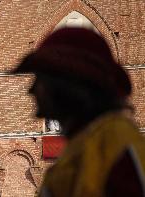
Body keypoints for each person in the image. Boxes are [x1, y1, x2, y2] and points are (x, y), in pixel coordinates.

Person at [13, 27, 145, 196]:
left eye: (40, 79)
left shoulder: (116, 147)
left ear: (66, 84)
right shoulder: (80, 150)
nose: (31, 90)